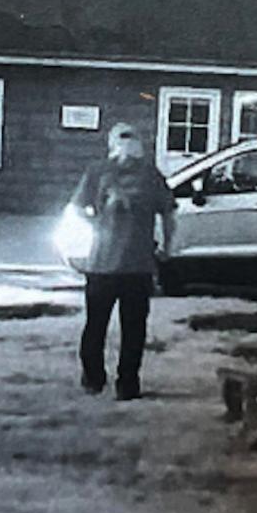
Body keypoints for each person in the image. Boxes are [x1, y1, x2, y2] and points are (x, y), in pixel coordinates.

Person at [69, 122, 175, 401]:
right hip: (102, 264)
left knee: (133, 330)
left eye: (131, 139)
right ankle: (94, 377)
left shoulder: (150, 175)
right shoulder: (98, 171)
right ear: (112, 143)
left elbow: (168, 212)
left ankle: (127, 382)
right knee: (96, 325)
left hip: (137, 266)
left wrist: (166, 245)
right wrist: (96, 223)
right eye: (122, 139)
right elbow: (76, 208)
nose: (127, 146)